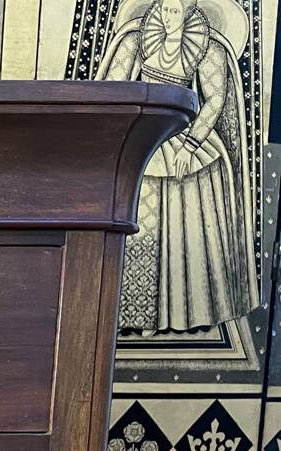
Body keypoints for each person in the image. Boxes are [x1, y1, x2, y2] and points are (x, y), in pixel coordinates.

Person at [96, 0, 257, 333]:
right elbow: (112, 87)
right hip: (143, 137)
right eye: (164, 9)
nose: (168, 18)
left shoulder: (207, 46)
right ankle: (132, 316)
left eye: (175, 11)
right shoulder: (136, 38)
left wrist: (191, 143)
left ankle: (184, 316)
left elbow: (214, 99)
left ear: (189, 11)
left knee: (186, 222)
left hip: (186, 139)